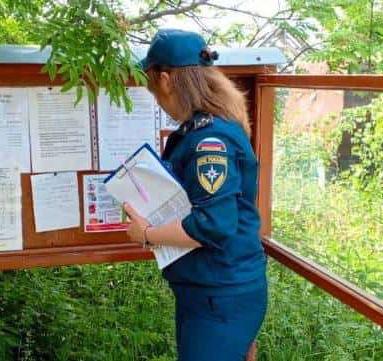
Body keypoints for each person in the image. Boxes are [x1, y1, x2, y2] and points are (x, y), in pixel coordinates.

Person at [122, 29, 267, 361]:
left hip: (220, 296)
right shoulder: (203, 129)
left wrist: (146, 234)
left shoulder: (209, 141)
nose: (155, 97)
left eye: (152, 87)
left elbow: (213, 223)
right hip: (212, 293)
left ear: (166, 79)